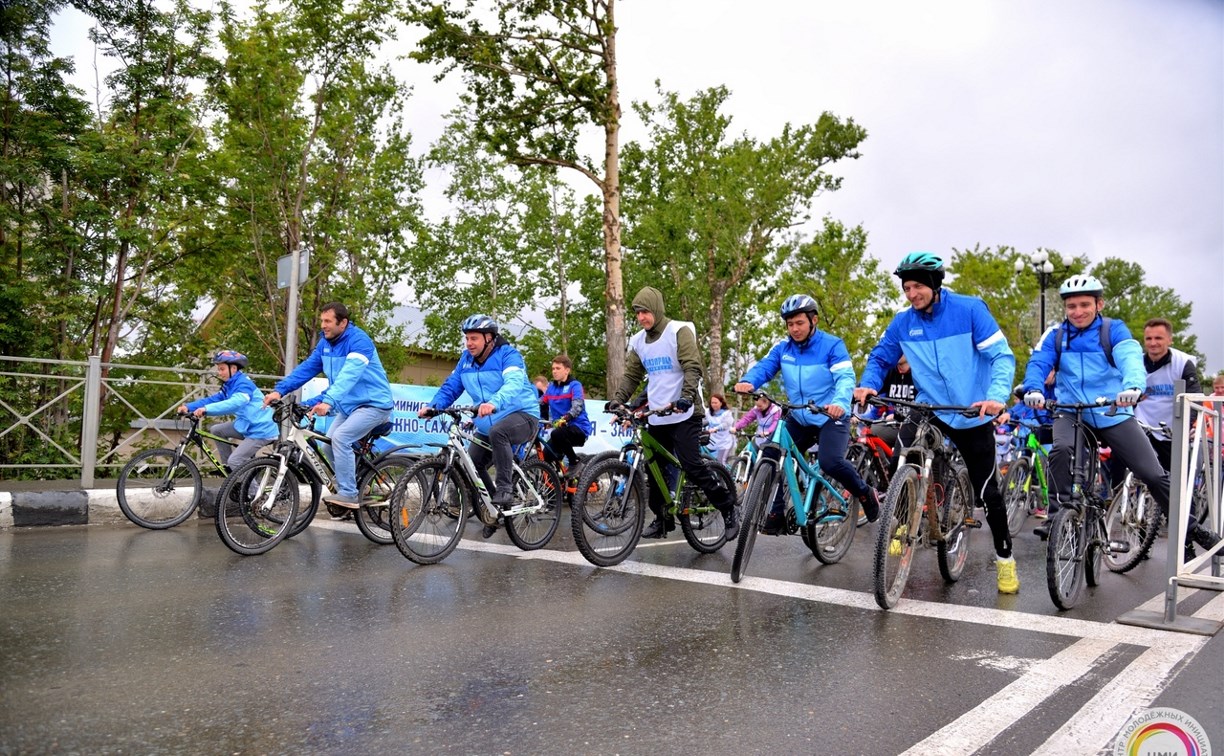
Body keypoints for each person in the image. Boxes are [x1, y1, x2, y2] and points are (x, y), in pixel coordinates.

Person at [854, 252, 1020, 595]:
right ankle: (902, 524)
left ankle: (1005, 560)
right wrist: (870, 381)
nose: (912, 293)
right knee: (901, 452)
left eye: (918, 286)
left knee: (987, 490)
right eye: (906, 287)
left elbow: (1001, 356)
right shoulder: (903, 322)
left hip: (972, 409)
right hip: (931, 406)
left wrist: (996, 395)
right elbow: (881, 355)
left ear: (934, 284)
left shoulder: (970, 309)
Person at [1020, 275, 1220, 558]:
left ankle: (1192, 528)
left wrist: (1133, 387)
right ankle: (1057, 518)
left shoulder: (1113, 330)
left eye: (1085, 305)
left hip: (1112, 412)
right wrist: (1033, 389)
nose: (1077, 312)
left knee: (1152, 472)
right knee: (1060, 450)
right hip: (1072, 412)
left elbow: (1129, 358)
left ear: (1099, 304)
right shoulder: (1055, 335)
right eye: (1072, 306)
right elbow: (1039, 363)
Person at [734, 294, 880, 533]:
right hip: (800, 417)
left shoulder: (832, 345)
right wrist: (748, 381)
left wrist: (840, 403)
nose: (794, 329)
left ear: (814, 320)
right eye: (790, 324)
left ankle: (864, 492)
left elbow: (845, 378)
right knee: (772, 454)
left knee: (830, 461)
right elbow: (765, 367)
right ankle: (777, 511)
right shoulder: (783, 348)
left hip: (830, 416)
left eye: (799, 323)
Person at [607, 286, 738, 540]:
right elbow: (632, 376)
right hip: (657, 414)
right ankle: (663, 518)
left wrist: (687, 397)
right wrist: (618, 401)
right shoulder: (639, 341)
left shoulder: (679, 331)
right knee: (655, 468)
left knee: (691, 465)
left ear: (656, 309)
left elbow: (693, 367)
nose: (642, 317)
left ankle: (728, 506)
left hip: (685, 412)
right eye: (637, 313)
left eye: (645, 311)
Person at [418, 315, 540, 538]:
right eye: (466, 339)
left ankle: (505, 489)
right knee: (473, 465)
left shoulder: (509, 355)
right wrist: (433, 407)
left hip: (522, 415)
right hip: (486, 424)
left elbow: (513, 384)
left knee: (499, 431)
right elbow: (451, 387)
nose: (469, 343)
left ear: (489, 338)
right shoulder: (465, 360)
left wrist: (494, 402)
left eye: (474, 338)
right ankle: (495, 510)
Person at [263, 302, 393, 508]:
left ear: (343, 323)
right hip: (348, 407)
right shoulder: (325, 343)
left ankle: (349, 493)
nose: (323, 325)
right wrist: (280, 390)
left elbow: (348, 376)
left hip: (374, 405)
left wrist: (328, 401)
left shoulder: (359, 341)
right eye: (322, 321)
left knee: (341, 438)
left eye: (328, 321)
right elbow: (306, 369)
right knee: (327, 444)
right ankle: (361, 484)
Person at [179, 350, 277, 472]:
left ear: (234, 368)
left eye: (222, 369)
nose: (219, 373)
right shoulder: (230, 385)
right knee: (217, 430)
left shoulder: (243, 383)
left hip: (261, 430)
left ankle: (252, 490)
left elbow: (235, 403)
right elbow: (214, 399)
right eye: (218, 370)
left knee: (235, 460)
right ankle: (229, 471)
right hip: (246, 424)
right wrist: (189, 407)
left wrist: (206, 410)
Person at [1134, 318, 1202, 471]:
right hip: (1142, 425)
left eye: (1158, 338)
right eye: (1148, 338)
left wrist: (1186, 426)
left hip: (1171, 429)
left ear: (1170, 340)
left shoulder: (1183, 362)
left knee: (1173, 479)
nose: (1153, 343)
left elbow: (1195, 398)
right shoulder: (1136, 363)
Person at [542, 354, 592, 479]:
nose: (554, 371)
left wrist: (567, 417)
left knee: (557, 433)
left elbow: (577, 405)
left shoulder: (574, 385)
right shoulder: (551, 388)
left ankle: (575, 462)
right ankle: (558, 488)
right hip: (561, 431)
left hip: (578, 429)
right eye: (553, 368)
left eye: (558, 368)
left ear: (567, 370)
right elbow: (541, 402)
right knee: (546, 455)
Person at [705, 394, 736, 466]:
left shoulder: (726, 413)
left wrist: (716, 428)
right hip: (711, 442)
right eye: (712, 403)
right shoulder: (708, 412)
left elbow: (726, 424)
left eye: (716, 403)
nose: (713, 405)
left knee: (720, 462)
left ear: (721, 403)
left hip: (724, 442)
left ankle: (725, 476)